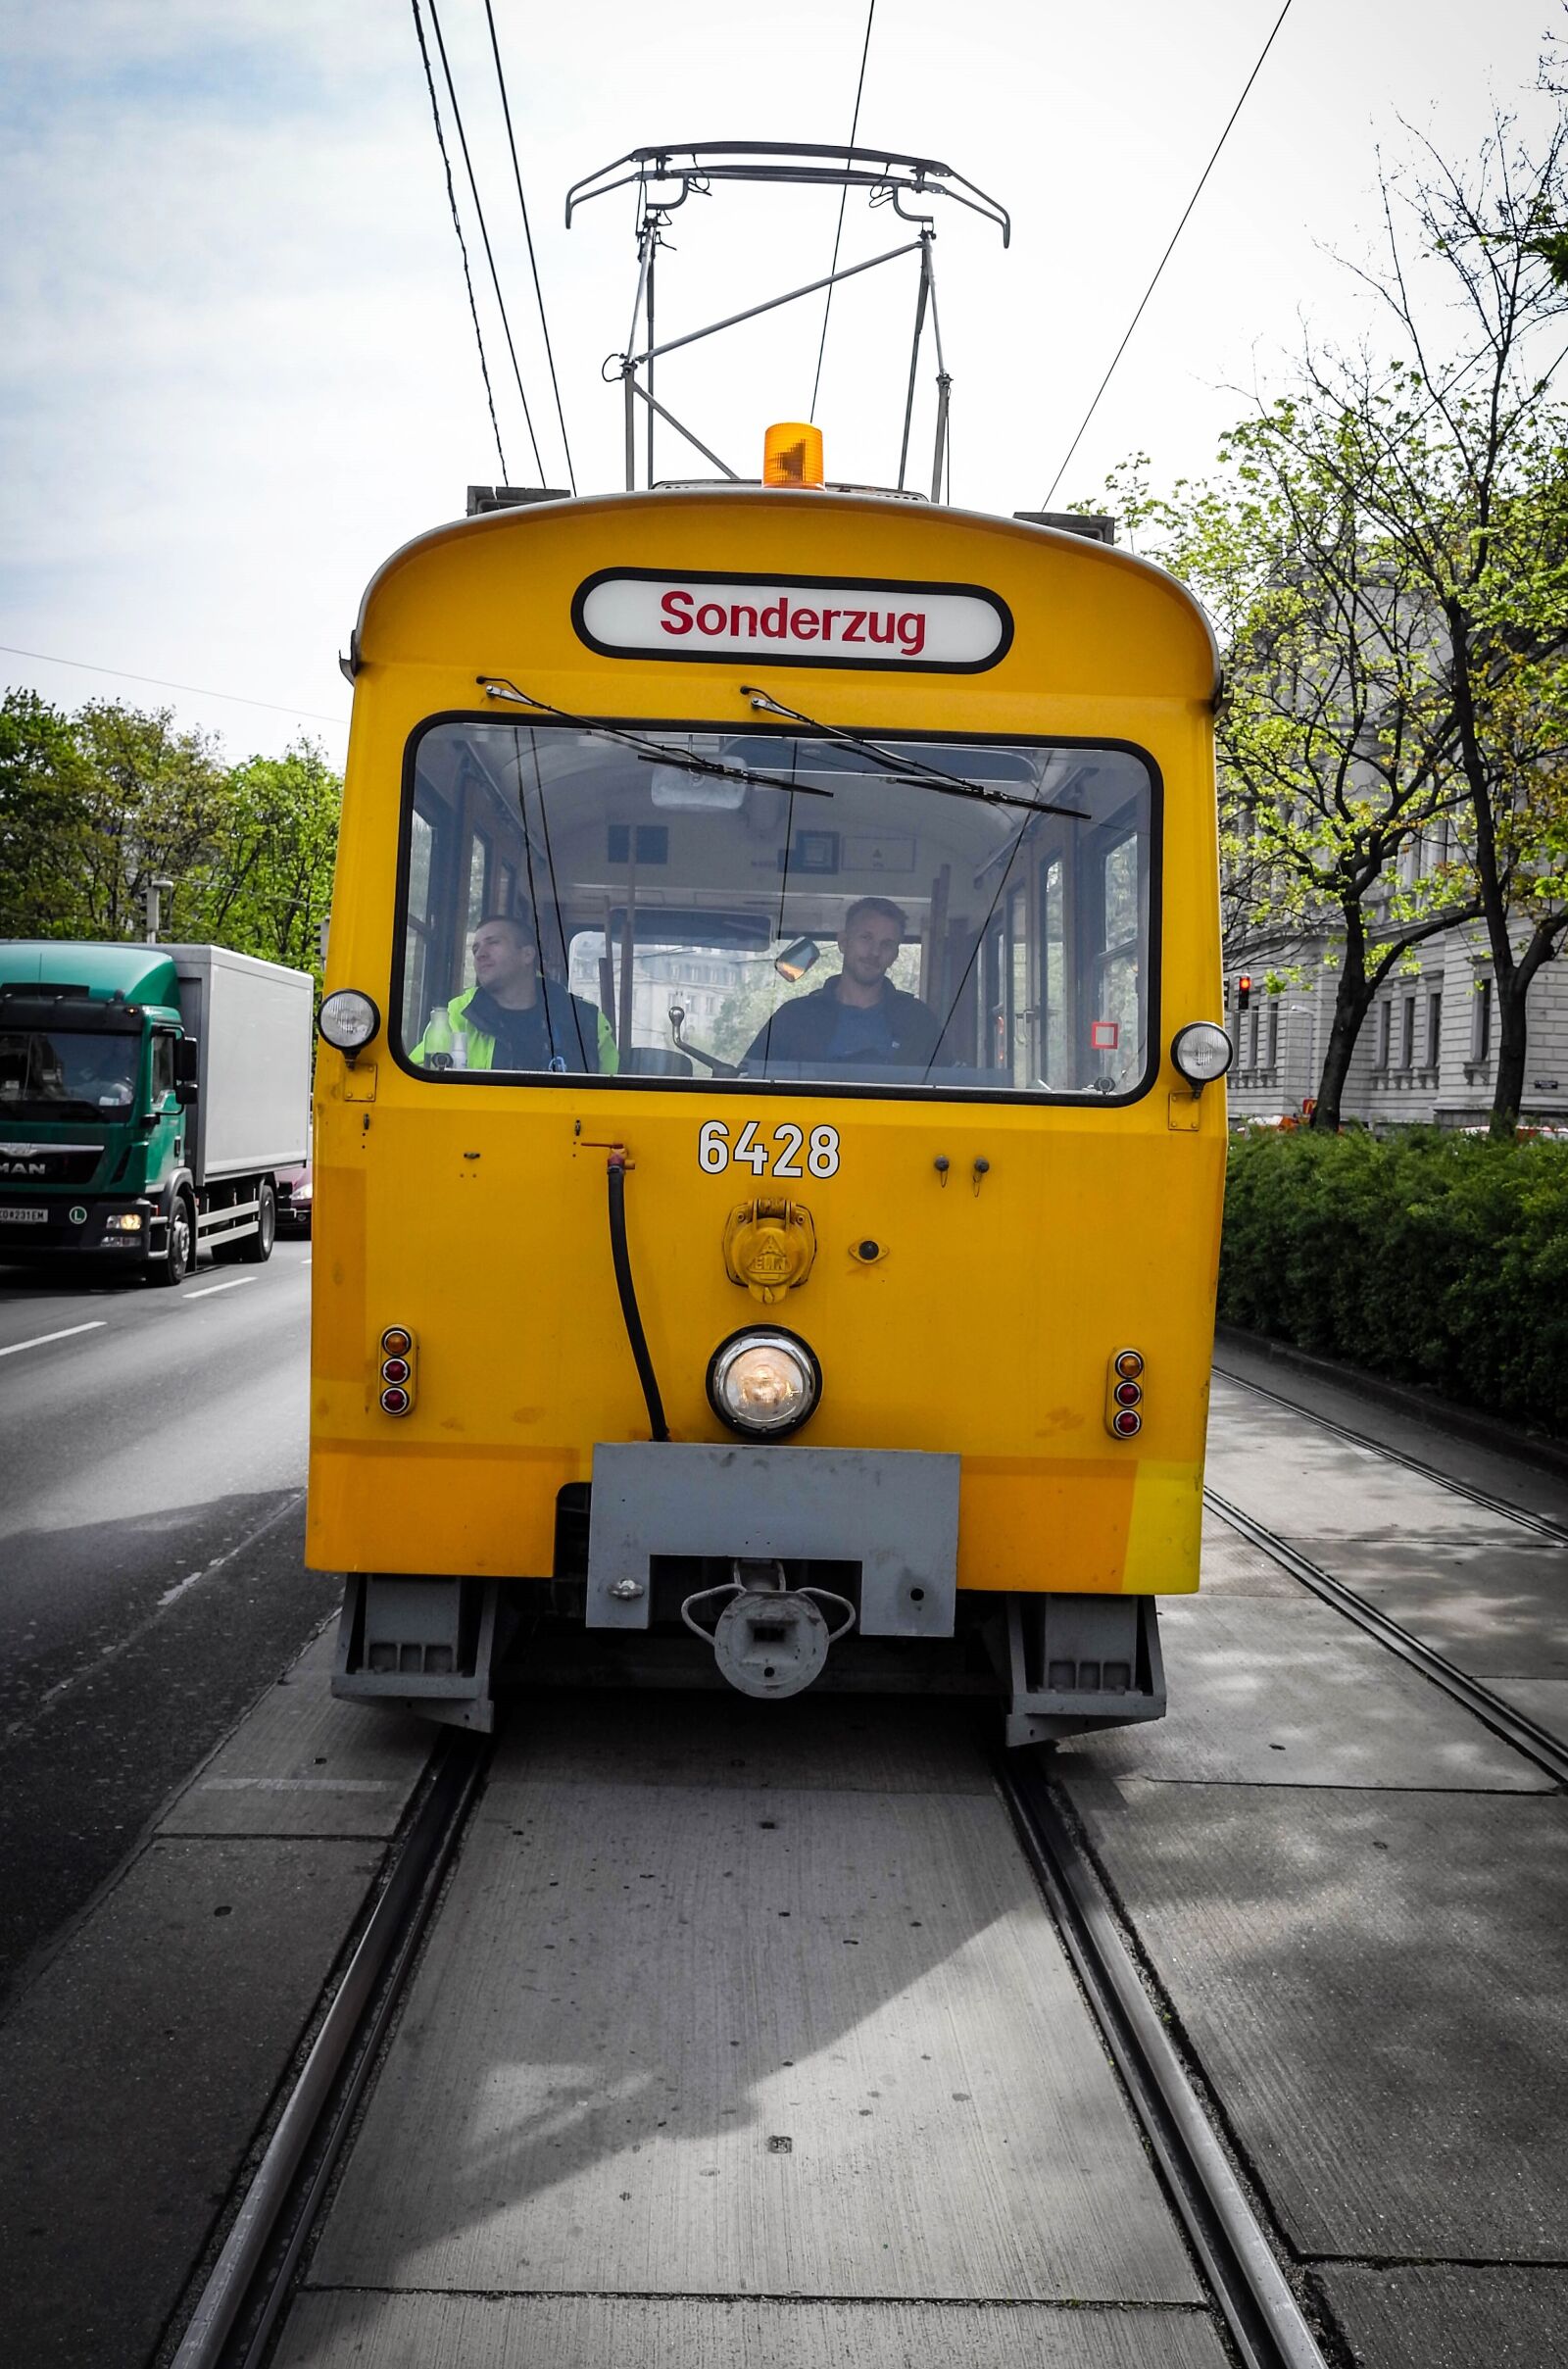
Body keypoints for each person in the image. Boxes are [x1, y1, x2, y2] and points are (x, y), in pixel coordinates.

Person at [742, 895, 944, 1074]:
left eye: (887, 944)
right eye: (866, 938)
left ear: (895, 955)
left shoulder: (918, 1020)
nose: (875, 952)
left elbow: (954, 1090)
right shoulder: (794, 1017)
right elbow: (744, 1085)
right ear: (844, 942)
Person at [413, 911, 617, 1074]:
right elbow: (418, 1081)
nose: (481, 954)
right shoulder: (457, 1016)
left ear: (527, 955)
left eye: (493, 943)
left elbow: (613, 1096)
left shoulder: (586, 1020)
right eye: (475, 949)